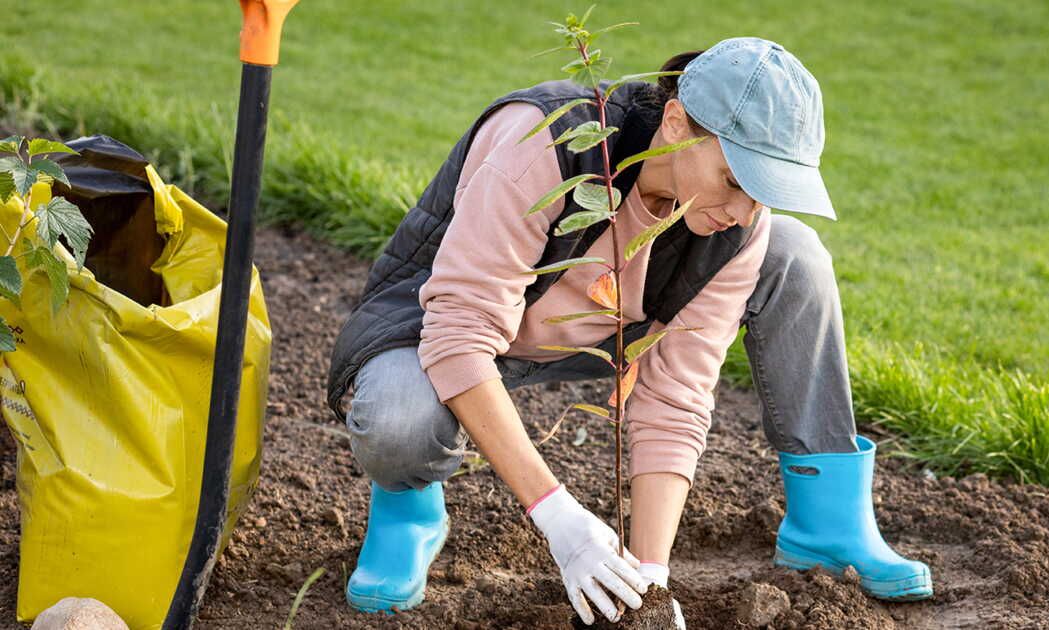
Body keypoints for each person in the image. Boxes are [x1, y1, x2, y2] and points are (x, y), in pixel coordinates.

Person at [325, 36, 934, 625]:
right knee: (400, 419)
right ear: (675, 121)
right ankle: (409, 511)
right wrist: (559, 519)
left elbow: (676, 400)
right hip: (445, 321)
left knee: (793, 253)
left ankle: (826, 526)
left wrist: (650, 580)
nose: (745, 209)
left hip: (600, 335)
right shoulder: (548, 142)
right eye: (734, 180)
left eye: (766, 192)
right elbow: (459, 331)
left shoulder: (738, 226)